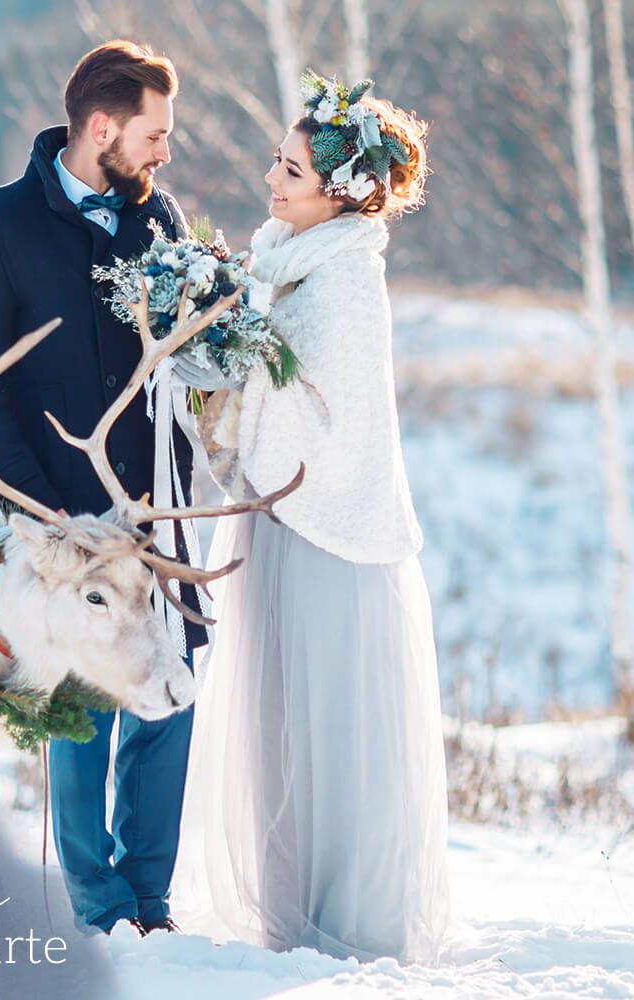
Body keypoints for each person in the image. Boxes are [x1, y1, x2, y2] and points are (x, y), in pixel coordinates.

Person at [174, 74, 451, 964]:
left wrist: (239, 368)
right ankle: (288, 907)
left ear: (343, 193)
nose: (271, 178)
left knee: (331, 731)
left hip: (328, 527)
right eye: (278, 161)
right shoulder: (287, 259)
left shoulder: (343, 283)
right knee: (276, 729)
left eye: (290, 169)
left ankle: (351, 920)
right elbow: (271, 372)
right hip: (277, 518)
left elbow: (331, 414)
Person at [0, 39, 205, 937]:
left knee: (168, 695)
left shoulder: (158, 218)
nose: (166, 151)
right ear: (103, 127)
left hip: (158, 508)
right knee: (81, 701)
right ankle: (98, 909)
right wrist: (38, 519)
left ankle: (151, 898)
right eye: (155, 133)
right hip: (61, 522)